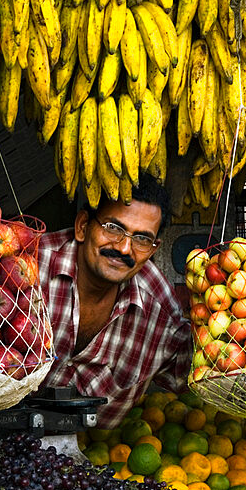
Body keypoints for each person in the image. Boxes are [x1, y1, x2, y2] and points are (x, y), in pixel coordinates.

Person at [38, 174, 193, 427]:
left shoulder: (160, 310)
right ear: (82, 226)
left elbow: (196, 372)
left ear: (153, 250)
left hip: (95, 457)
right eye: (113, 228)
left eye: (142, 239)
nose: (123, 249)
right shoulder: (29, 269)